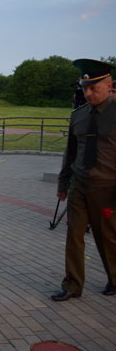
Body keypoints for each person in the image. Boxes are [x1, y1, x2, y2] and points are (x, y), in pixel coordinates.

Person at [52, 58, 116, 301]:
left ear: (108, 85)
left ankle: (114, 279)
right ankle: (72, 285)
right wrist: (62, 183)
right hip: (80, 185)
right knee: (74, 236)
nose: (88, 93)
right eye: (85, 88)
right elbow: (70, 152)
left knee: (107, 238)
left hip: (108, 188)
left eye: (94, 88)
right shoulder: (78, 115)